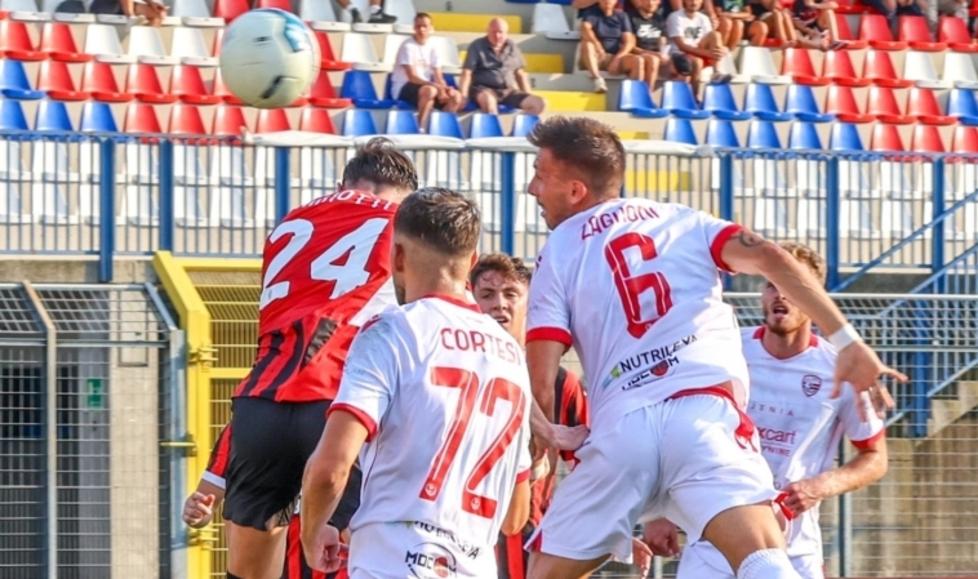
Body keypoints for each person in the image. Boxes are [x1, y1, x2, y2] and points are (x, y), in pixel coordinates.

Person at [521, 116, 904, 579]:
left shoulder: (557, 251)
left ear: (575, 190)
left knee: (544, 572)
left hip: (622, 431)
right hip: (703, 419)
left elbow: (541, 375)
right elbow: (770, 256)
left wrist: (543, 435)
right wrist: (847, 340)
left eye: (539, 175)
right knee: (763, 557)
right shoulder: (685, 220)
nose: (531, 188)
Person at [300, 189, 533, 578]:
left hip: (392, 562)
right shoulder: (511, 356)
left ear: (397, 256)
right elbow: (515, 516)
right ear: (471, 262)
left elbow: (330, 468)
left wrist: (311, 534)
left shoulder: (393, 330)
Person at [222, 138, 417, 579]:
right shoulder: (402, 224)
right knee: (353, 559)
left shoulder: (290, 222)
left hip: (261, 404)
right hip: (337, 404)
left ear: (343, 183)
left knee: (248, 571)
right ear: (407, 196)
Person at [641, 242, 888, 579]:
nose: (779, 295)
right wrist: (657, 511)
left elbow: (875, 457)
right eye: (772, 285)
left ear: (816, 298)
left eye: (790, 286)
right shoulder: (725, 350)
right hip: (713, 542)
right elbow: (669, 423)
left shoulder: (838, 368)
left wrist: (821, 485)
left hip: (794, 547)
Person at [467, 254, 593, 579]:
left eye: (510, 294)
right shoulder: (453, 372)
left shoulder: (561, 384)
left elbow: (593, 464)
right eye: (487, 294)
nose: (499, 304)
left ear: (530, 304)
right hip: (462, 534)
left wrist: (600, 531)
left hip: (531, 539)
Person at [182, 426, 349, 579]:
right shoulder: (242, 427)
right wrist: (196, 512)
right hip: (262, 563)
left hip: (333, 563)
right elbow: (206, 499)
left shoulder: (343, 424)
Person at [391, 13, 464, 131]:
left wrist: (444, 90)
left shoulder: (433, 47)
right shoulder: (407, 46)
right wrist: (436, 86)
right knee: (430, 91)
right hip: (404, 87)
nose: (421, 29)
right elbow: (412, 77)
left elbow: (438, 75)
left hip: (426, 87)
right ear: (414, 28)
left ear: (430, 28)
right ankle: (420, 129)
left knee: (456, 96)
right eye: (418, 26)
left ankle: (441, 129)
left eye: (424, 26)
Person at [459, 18, 546, 116]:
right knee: (489, 101)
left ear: (506, 33)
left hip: (509, 91)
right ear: (487, 31)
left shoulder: (512, 47)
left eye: (500, 32)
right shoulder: (477, 46)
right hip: (483, 89)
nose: (497, 36)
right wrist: (463, 95)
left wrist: (528, 94)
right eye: (494, 32)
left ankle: (518, 124)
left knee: (539, 103)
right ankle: (493, 125)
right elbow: (467, 72)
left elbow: (520, 73)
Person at [579, 0, 654, 93]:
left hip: (614, 55)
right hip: (596, 56)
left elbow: (629, 41)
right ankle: (598, 79)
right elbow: (585, 28)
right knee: (587, 44)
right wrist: (597, 45)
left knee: (638, 60)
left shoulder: (621, 16)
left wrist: (617, 59)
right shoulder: (591, 13)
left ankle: (634, 95)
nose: (607, 1)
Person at [667, 0, 729, 95]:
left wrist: (722, 50)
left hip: (699, 50)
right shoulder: (675, 17)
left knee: (716, 35)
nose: (694, 2)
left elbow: (709, 40)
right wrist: (708, 53)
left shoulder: (703, 18)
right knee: (697, 62)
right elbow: (681, 46)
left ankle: (716, 72)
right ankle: (695, 97)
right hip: (681, 54)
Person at [89, 0, 166, 26]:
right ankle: (131, 17)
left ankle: (149, 44)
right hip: (103, 6)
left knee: (156, 13)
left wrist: (152, 3)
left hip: (122, 6)